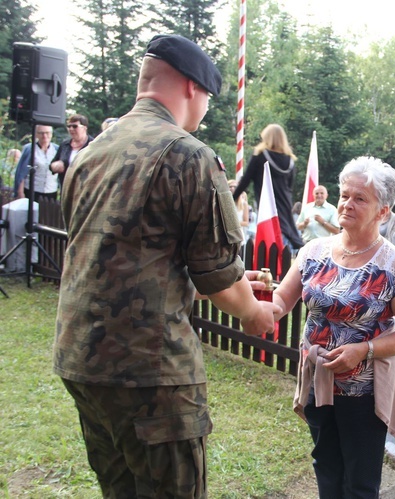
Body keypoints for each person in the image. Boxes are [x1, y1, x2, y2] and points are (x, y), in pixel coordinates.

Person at [53, 34, 280, 497]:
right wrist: (254, 312)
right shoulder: (189, 155)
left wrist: (234, 280)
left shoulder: (91, 153)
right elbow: (218, 278)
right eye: (208, 99)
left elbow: (124, 260)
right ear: (192, 88)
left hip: (83, 361)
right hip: (151, 374)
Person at [272, 156, 395, 498]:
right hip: (318, 380)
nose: (347, 204)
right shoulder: (314, 251)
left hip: (363, 393)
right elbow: (282, 300)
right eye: (345, 195)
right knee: (325, 466)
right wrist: (257, 305)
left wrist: (364, 350)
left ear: (382, 212)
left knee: (359, 482)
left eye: (360, 198)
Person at [233, 124, 305, 251]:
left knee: (269, 238)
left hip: (266, 204)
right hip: (284, 204)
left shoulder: (260, 157)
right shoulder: (290, 161)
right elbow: (290, 187)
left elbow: (245, 180)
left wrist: (232, 198)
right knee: (286, 232)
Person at [13, 125, 59, 201]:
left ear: (51, 134)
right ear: (36, 134)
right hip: (32, 191)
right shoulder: (29, 149)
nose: (44, 136)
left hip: (51, 191)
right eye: (41, 133)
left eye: (47, 133)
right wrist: (20, 192)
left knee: (47, 212)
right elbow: (21, 171)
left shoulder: (57, 149)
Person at [50, 114, 94, 189]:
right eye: (69, 126)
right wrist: (54, 166)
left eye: (74, 126)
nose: (71, 129)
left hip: (86, 189)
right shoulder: (64, 145)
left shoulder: (93, 145)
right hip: (66, 188)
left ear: (84, 128)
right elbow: (53, 163)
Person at [229, 179, 251, 246]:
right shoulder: (224, 203)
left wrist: (233, 223)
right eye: (230, 186)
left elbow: (246, 222)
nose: (232, 188)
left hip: (238, 236)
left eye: (235, 187)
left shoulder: (243, 204)